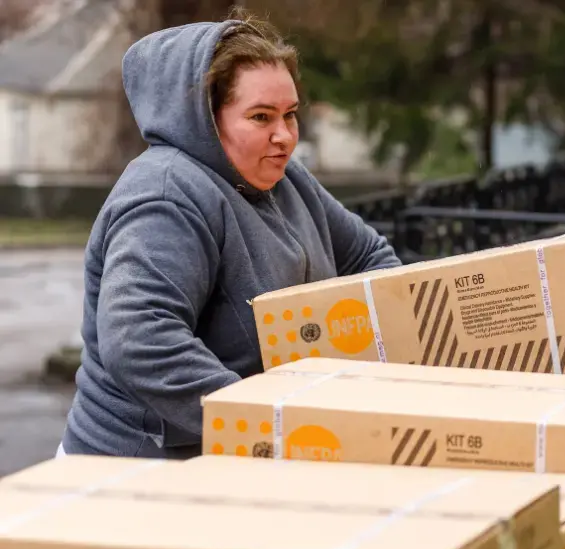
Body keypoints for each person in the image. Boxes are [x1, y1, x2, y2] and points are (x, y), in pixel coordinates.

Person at [58, 10, 401, 460]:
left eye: (290, 115)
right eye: (261, 117)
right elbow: (141, 342)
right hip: (140, 470)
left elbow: (370, 259)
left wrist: (401, 336)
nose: (284, 136)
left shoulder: (286, 181)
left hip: (239, 452)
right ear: (204, 120)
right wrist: (273, 418)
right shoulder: (166, 196)